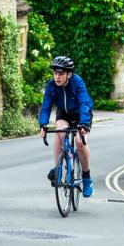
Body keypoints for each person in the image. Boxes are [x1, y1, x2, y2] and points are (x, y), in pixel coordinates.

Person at [39, 55, 94, 197]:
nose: (57, 77)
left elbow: (84, 103)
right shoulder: (51, 85)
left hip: (81, 115)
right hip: (64, 113)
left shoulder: (77, 82)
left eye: (61, 73)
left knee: (79, 142)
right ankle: (58, 169)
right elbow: (45, 107)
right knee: (60, 132)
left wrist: (84, 124)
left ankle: (87, 178)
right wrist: (43, 124)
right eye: (55, 73)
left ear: (68, 74)